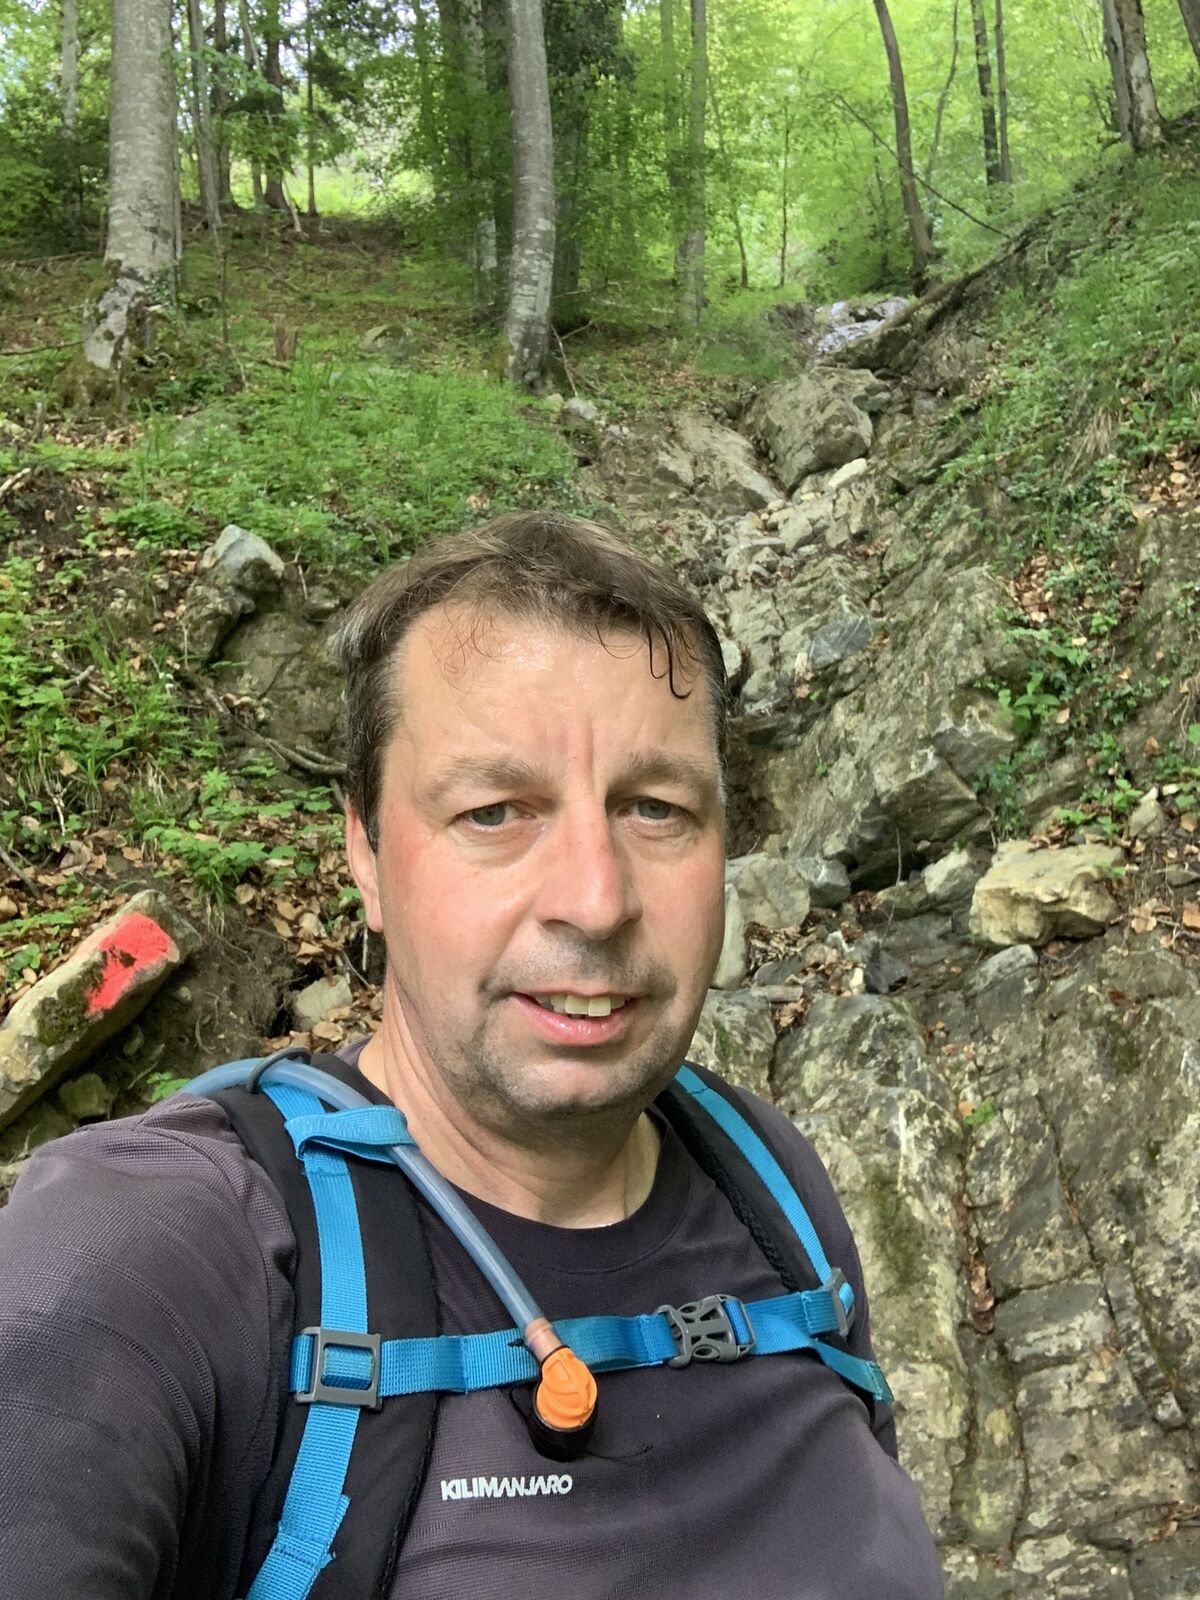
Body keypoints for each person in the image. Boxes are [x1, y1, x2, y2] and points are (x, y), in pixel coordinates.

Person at [0, 512, 942, 1599]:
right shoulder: (159, 1248)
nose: (596, 899)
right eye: (495, 812)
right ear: (366, 852)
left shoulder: (770, 1182)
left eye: (656, 808)